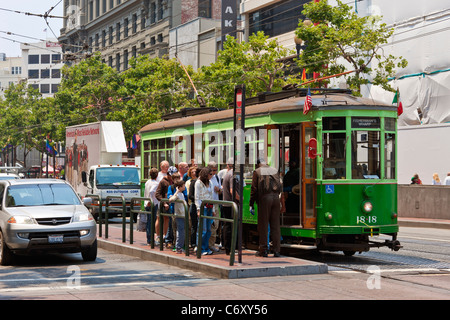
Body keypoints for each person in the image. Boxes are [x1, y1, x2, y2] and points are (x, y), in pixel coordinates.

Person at [249, 159, 282, 257]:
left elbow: (254, 189)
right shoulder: (274, 170)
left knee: (263, 225)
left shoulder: (257, 171)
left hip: (264, 199)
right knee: (275, 226)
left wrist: (251, 203)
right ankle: (277, 251)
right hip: (276, 198)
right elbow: (280, 185)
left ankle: (263, 250)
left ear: (258, 164)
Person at [195, 167, 215, 255]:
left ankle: (206, 247)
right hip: (203, 207)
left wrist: (213, 209)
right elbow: (197, 197)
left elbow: (212, 196)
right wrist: (198, 209)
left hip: (210, 207)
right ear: (206, 174)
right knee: (202, 229)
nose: (212, 175)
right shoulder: (198, 183)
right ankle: (200, 248)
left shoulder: (210, 182)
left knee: (208, 229)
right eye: (210, 174)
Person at [155, 165, 177, 245]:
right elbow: (157, 194)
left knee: (169, 220)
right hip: (164, 204)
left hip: (172, 204)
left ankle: (166, 236)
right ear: (168, 174)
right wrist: (164, 202)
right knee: (161, 218)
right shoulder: (163, 181)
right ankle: (159, 236)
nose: (173, 178)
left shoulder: (175, 181)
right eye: (172, 176)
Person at [169, 179, 188, 254]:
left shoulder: (182, 194)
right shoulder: (177, 194)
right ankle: (178, 247)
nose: (184, 187)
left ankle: (180, 246)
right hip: (179, 215)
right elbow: (171, 199)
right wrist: (176, 192)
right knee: (180, 231)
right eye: (183, 185)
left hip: (183, 214)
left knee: (182, 231)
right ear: (179, 187)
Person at [208, 162, 222, 252]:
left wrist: (219, 190)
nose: (214, 172)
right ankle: (207, 245)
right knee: (208, 225)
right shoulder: (205, 178)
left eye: (215, 170)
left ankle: (211, 244)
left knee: (215, 225)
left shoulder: (217, 177)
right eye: (212, 170)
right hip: (208, 204)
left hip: (216, 203)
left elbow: (220, 190)